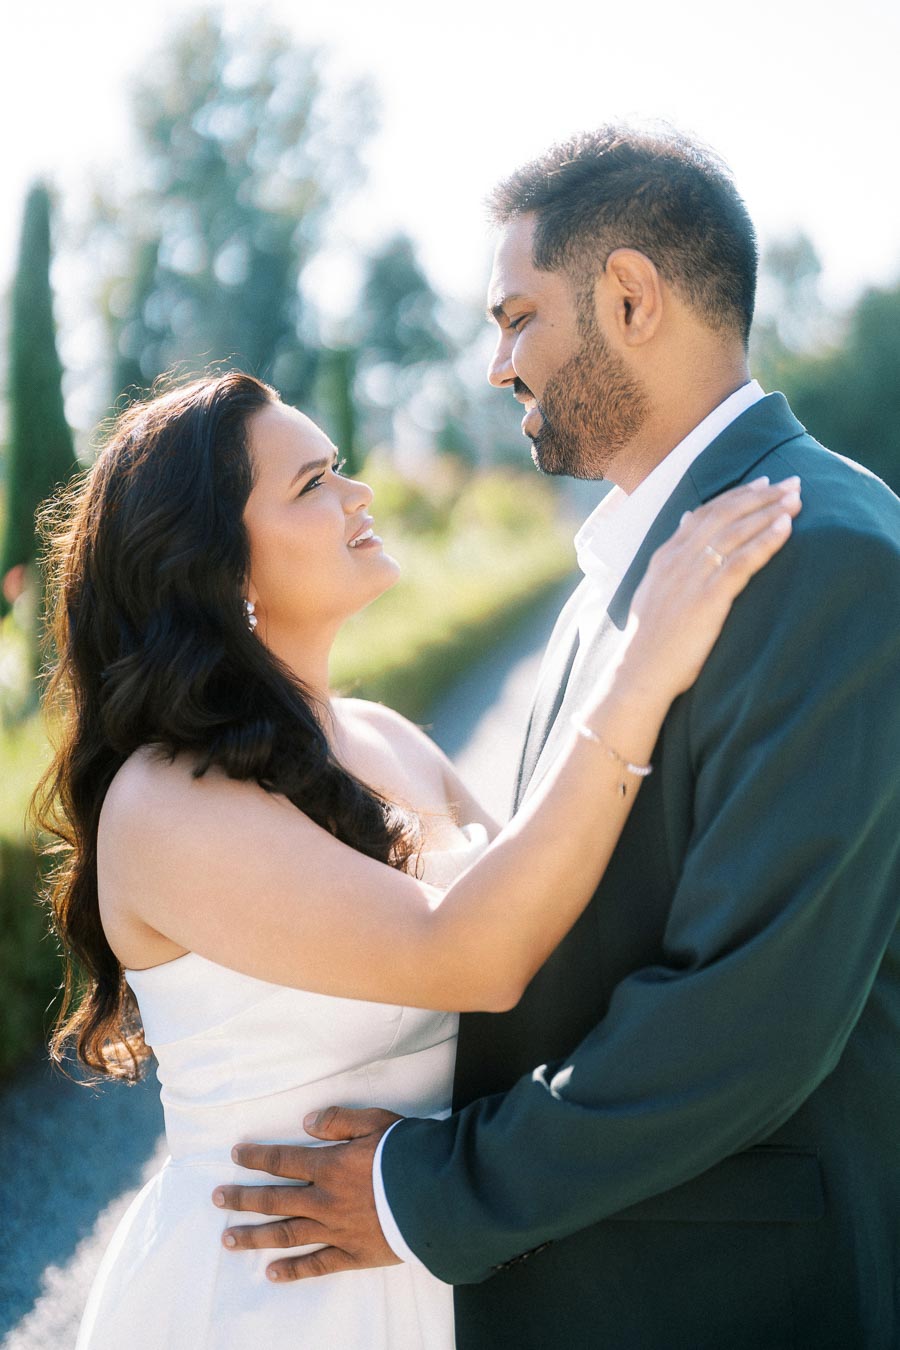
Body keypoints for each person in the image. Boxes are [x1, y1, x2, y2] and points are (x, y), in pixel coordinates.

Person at [218, 127, 900, 1349]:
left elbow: (751, 1017)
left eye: (517, 316)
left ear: (631, 297)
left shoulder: (828, 560)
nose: (495, 365)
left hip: (724, 1294)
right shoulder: (629, 565)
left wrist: (430, 1190)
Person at [39, 369, 797, 1350]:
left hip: (438, 1258)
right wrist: (644, 664)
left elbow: (563, 922)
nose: (359, 495)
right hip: (273, 1291)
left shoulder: (387, 737)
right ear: (216, 567)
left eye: (341, 470)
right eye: (312, 484)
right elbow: (471, 954)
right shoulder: (164, 801)